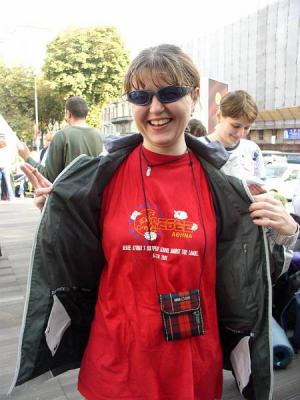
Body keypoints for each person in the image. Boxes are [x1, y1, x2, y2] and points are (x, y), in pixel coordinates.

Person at [11, 44, 299, 400]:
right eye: (141, 96)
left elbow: (255, 278)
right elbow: (78, 253)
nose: (156, 107)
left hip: (191, 367)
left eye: (170, 93)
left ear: (194, 97)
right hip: (115, 364)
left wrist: (285, 234)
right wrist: (56, 214)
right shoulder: (102, 178)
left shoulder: (226, 189)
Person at [17, 96, 103, 182]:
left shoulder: (62, 136)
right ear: (86, 114)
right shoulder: (100, 136)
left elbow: (49, 177)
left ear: (68, 114)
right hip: (94, 194)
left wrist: (27, 157)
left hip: (69, 194)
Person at [200, 90, 266, 182]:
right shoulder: (198, 148)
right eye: (236, 126)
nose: (241, 133)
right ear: (219, 116)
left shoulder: (253, 150)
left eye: (247, 127)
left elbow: (262, 186)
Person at [0, 134, 15, 200]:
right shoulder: (7, 150)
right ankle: (11, 197)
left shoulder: (6, 150)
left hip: (4, 166)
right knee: (8, 182)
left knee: (7, 182)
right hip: (5, 166)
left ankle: (11, 197)